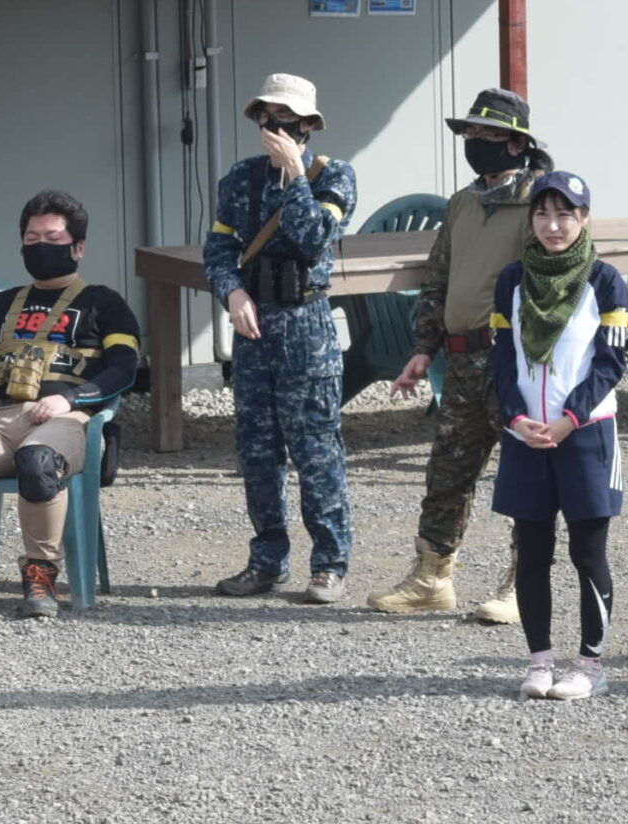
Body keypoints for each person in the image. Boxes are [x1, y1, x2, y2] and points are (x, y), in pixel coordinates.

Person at [369, 87, 553, 622]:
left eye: (486, 133)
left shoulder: (543, 202)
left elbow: (556, 283)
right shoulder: (463, 203)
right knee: (447, 472)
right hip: (460, 360)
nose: (474, 141)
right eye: (470, 132)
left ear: (517, 144)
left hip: (513, 360)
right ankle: (431, 578)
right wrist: (424, 348)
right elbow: (438, 277)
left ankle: (523, 586)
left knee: (525, 475)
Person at [0, 190, 142, 620]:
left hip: (68, 420)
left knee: (38, 461)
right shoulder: (2, 304)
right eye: (31, 238)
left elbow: (124, 369)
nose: (41, 247)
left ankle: (41, 577)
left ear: (78, 247)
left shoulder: (104, 302)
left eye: (53, 238)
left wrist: (69, 398)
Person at [204, 72, 359, 604]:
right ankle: (267, 561)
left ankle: (329, 564)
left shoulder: (332, 174)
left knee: (316, 450)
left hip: (306, 327)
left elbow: (313, 237)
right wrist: (231, 293)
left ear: (308, 125)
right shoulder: (240, 179)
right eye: (267, 116)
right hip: (254, 328)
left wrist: (294, 174)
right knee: (257, 452)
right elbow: (218, 251)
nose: (275, 125)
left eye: (287, 117)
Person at [488, 171, 628, 701]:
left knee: (588, 553)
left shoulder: (605, 280)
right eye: (542, 214)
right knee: (531, 552)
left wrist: (570, 416)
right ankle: (540, 660)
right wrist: (516, 418)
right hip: (526, 435)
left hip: (586, 433)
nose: (552, 226)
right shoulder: (511, 280)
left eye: (564, 214)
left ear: (584, 219)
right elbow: (502, 360)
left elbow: (611, 363)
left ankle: (590, 664)